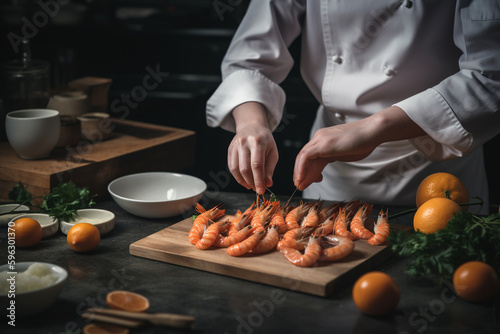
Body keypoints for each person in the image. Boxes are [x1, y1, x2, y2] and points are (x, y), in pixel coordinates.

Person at [206, 0, 500, 214]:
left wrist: (374, 128)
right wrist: (251, 124)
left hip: (439, 169)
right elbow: (249, 59)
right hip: (331, 173)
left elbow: (491, 76)